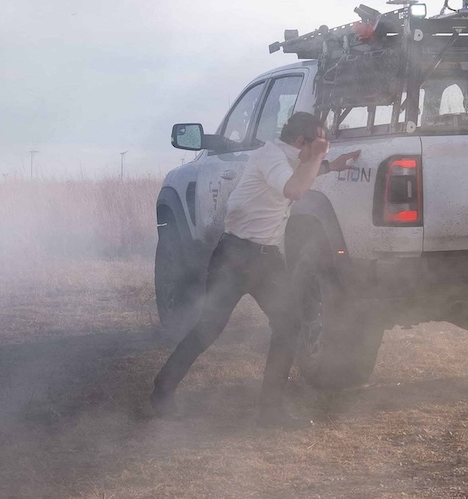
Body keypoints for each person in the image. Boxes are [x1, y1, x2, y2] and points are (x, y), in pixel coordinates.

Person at [150, 112, 360, 428]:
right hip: (236, 255)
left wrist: (332, 164)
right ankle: (161, 391)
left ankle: (270, 412)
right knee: (210, 327)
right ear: (301, 142)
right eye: (318, 143)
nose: (321, 148)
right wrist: (319, 158)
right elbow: (293, 189)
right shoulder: (272, 156)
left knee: (288, 326)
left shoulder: (287, 157)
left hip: (265, 259)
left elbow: (299, 173)